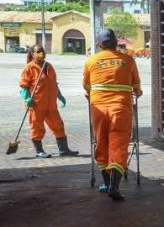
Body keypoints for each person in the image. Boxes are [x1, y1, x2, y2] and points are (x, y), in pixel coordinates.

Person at [83, 29, 142, 201]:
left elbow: (86, 87)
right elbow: (136, 87)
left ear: (99, 44)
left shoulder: (91, 61)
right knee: (118, 143)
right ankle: (114, 186)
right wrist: (137, 92)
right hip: (120, 109)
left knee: (101, 142)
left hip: (98, 109)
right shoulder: (128, 60)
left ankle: (106, 183)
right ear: (116, 42)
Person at [18, 43, 78, 158]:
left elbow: (53, 83)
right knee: (37, 127)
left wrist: (60, 96)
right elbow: (24, 86)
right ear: (33, 54)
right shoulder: (29, 67)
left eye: (43, 52)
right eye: (39, 52)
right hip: (36, 104)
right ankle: (39, 151)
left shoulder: (49, 66)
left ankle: (64, 150)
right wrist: (26, 98)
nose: (42, 54)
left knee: (58, 125)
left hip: (51, 105)